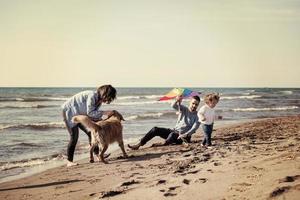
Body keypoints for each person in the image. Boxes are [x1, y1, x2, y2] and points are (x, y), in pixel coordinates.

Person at [62, 85, 117, 167]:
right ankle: (69, 161)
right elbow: (90, 113)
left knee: (91, 132)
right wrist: (105, 112)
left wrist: (101, 120)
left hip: (81, 115)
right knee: (74, 137)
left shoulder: (99, 100)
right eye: (108, 97)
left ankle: (97, 155)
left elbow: (93, 113)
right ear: (104, 93)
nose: (108, 100)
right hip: (69, 113)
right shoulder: (92, 96)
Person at [128, 95, 200, 150]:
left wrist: (186, 134)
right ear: (190, 102)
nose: (194, 106)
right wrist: (177, 100)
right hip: (174, 131)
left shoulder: (198, 115)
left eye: (196, 104)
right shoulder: (184, 109)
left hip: (184, 137)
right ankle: (139, 144)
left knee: (172, 135)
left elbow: (194, 128)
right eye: (193, 103)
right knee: (155, 129)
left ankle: (163, 145)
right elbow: (173, 105)